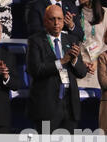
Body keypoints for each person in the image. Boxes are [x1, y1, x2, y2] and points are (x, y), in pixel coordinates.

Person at [26, 4, 87, 134]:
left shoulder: (71, 39)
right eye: (52, 19)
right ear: (44, 21)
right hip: (47, 106)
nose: (56, 23)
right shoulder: (35, 41)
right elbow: (35, 70)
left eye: (59, 19)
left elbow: (81, 73)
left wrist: (75, 60)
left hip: (69, 105)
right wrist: (62, 61)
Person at [76, 0, 107, 89]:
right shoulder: (75, 12)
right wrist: (81, 62)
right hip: (80, 66)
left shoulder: (105, 12)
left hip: (99, 65)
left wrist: (97, 62)